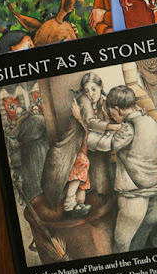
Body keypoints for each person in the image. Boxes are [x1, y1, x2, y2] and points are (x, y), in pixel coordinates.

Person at [88, 85, 157, 252]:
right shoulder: (154, 122)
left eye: (111, 112)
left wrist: (86, 128)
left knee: (123, 246)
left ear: (117, 109)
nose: (111, 116)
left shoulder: (128, 128)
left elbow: (101, 143)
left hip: (135, 198)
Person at [41, 73, 117, 216]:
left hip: (88, 143)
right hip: (74, 143)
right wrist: (111, 127)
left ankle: (78, 205)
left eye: (94, 89)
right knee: (82, 163)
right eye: (86, 90)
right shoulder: (83, 100)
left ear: (101, 87)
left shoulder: (103, 102)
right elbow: (89, 124)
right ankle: (69, 205)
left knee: (85, 175)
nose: (91, 94)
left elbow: (108, 119)